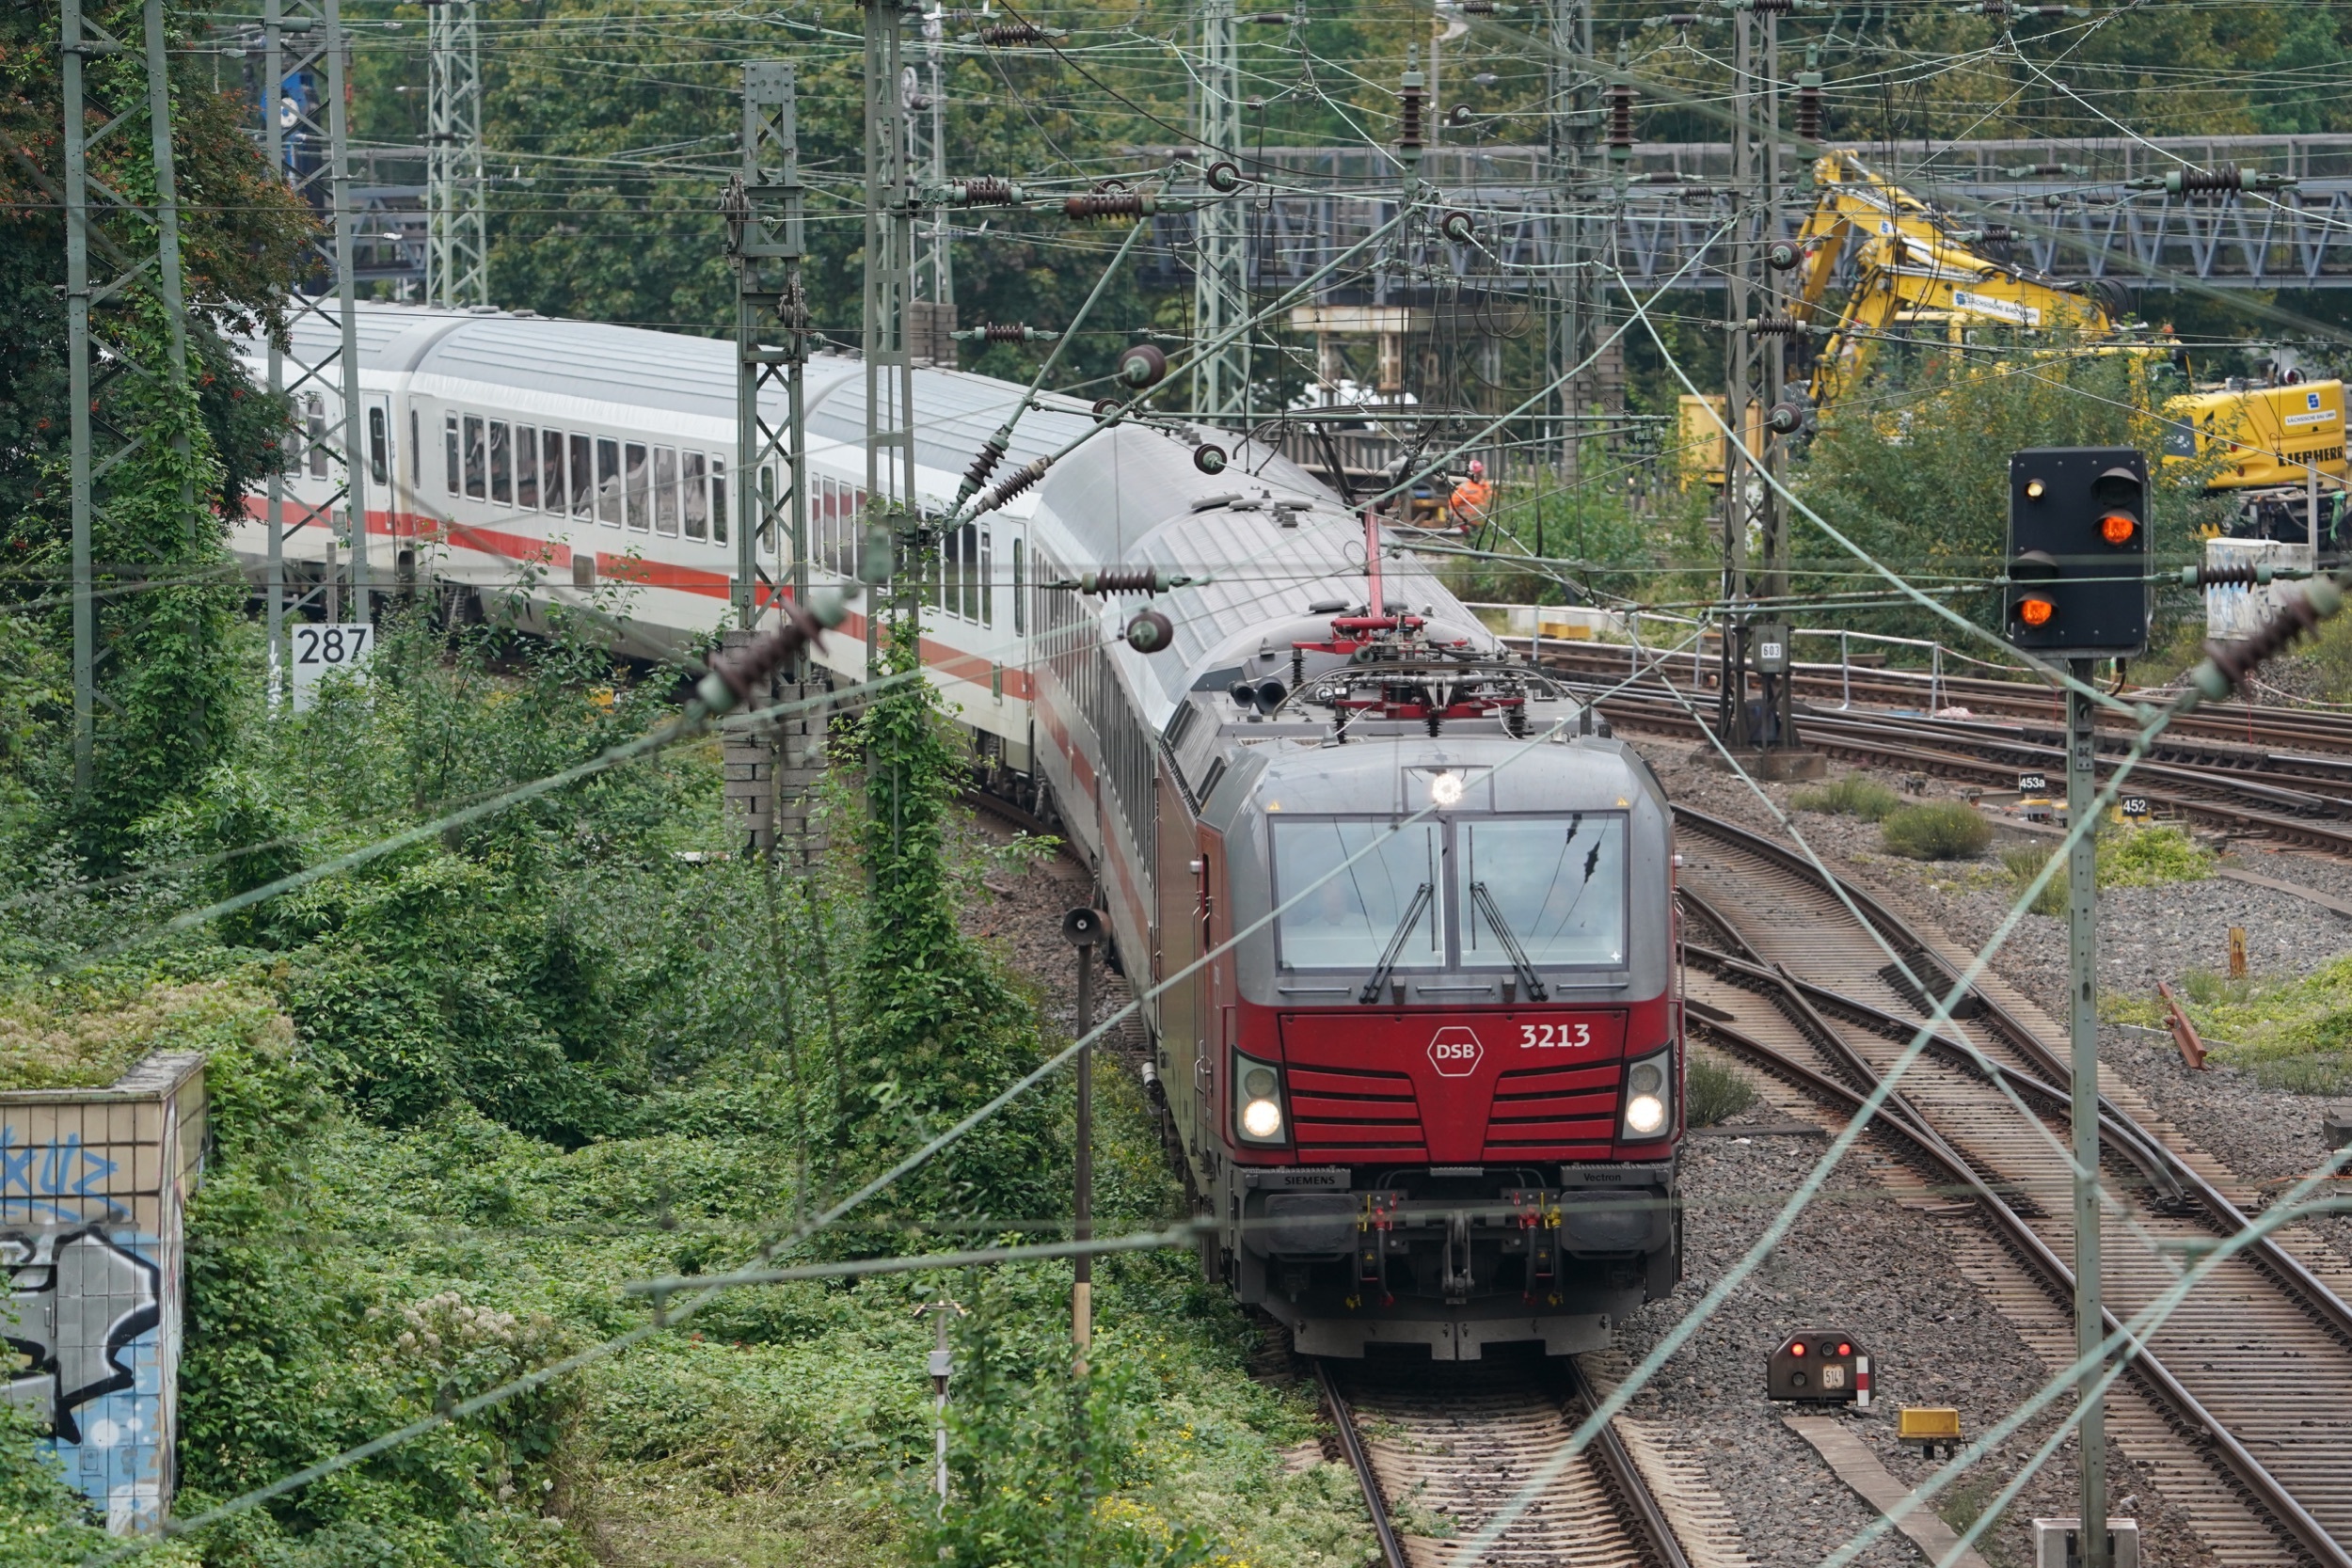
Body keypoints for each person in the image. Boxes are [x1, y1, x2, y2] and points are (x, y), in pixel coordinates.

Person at [1448, 458, 1493, 534]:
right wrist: (1460, 521)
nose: (1479, 474)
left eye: (1480, 472)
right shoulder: (1465, 488)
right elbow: (1452, 505)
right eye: (1477, 472)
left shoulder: (1486, 486)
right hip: (1470, 525)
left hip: (1485, 524)